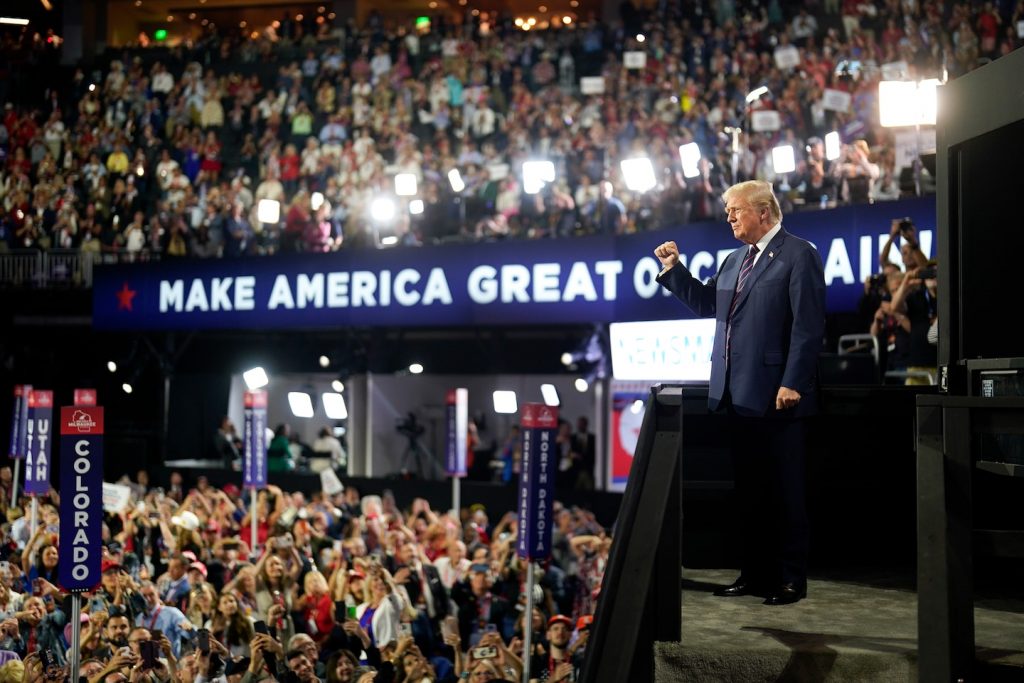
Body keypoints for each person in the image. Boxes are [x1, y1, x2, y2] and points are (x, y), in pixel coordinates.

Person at [653, 180, 826, 605]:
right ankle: (754, 574)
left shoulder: (799, 254)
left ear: (762, 212)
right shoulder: (733, 261)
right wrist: (675, 272)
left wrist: (792, 381)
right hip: (737, 395)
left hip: (779, 397)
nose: (729, 217)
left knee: (786, 494)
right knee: (749, 495)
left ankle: (790, 579)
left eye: (735, 210)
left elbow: (808, 327)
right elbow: (709, 304)